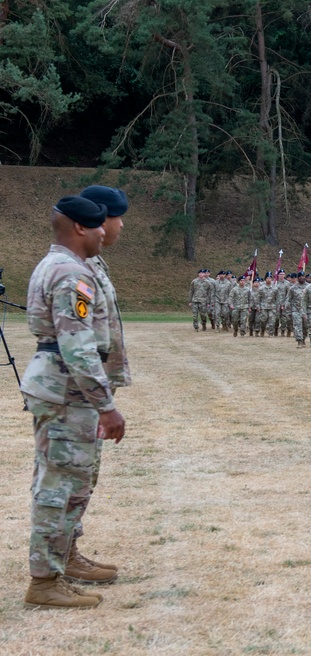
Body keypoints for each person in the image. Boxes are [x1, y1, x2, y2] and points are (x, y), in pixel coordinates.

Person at [21, 196, 127, 609]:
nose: (106, 231)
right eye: (99, 225)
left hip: (64, 388)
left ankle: (61, 561)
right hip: (68, 390)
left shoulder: (64, 266)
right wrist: (106, 406)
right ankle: (44, 581)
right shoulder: (70, 274)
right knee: (58, 486)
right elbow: (78, 348)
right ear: (80, 229)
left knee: (70, 482)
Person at [73, 185, 129, 585]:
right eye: (117, 217)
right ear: (98, 220)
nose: (121, 225)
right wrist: (102, 402)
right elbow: (77, 341)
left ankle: (66, 552)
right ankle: (54, 564)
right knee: (69, 475)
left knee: (81, 475)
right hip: (76, 392)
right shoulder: (77, 268)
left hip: (87, 392)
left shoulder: (95, 265)